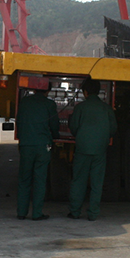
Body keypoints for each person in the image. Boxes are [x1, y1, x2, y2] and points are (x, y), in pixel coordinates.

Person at [67, 79, 117, 221]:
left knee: (78, 180)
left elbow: (74, 127)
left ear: (85, 92)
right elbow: (113, 129)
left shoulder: (80, 108)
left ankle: (75, 212)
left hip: (82, 148)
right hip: (100, 149)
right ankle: (93, 213)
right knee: (97, 183)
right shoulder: (106, 108)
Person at [15, 82, 60, 221]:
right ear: (48, 91)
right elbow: (54, 125)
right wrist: (55, 136)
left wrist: (22, 138)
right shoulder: (49, 104)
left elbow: (18, 121)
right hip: (42, 146)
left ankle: (21, 213)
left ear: (34, 89)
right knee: (40, 179)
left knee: (24, 179)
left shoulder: (24, 102)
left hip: (26, 145)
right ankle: (37, 213)